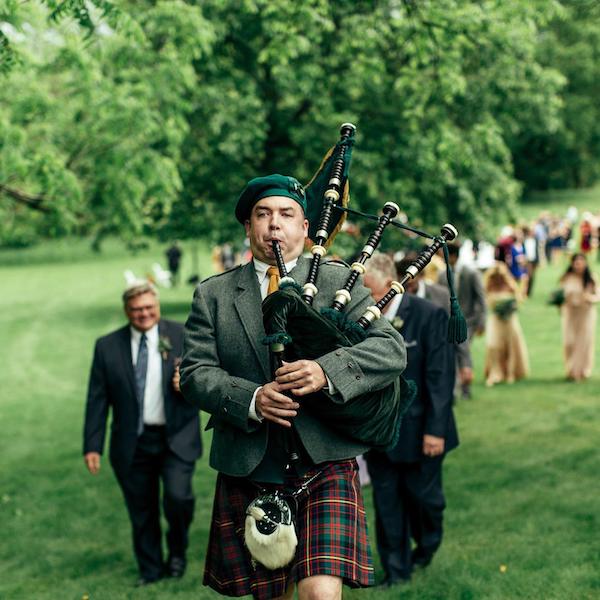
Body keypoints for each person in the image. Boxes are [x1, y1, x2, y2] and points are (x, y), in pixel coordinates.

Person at [180, 174, 406, 600]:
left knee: (321, 594)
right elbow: (194, 372)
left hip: (325, 461)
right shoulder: (214, 294)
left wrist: (327, 370)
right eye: (263, 215)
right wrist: (251, 399)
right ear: (248, 227)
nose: (274, 225)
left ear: (305, 227)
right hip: (253, 464)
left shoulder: (338, 281)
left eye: (286, 214)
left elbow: (391, 350)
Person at [83, 282, 202, 586]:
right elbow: (98, 398)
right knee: (141, 510)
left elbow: (205, 379)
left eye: (149, 308)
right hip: (132, 443)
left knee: (177, 498)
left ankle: (177, 552)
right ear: (127, 311)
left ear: (157, 306)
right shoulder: (107, 346)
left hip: (177, 437)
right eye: (136, 310)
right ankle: (149, 570)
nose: (144, 314)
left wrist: (186, 384)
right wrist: (92, 445)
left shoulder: (181, 335)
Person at [364, 252, 458, 586]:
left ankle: (428, 542)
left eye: (370, 292)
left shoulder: (428, 316)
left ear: (391, 286)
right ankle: (396, 571)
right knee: (387, 503)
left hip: (423, 431)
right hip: (379, 433)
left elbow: (440, 377)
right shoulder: (360, 323)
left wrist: (435, 431)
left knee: (424, 501)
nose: (365, 300)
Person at [439, 243, 486, 397]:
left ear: (453, 256)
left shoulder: (471, 273)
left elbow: (481, 298)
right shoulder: (442, 275)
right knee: (453, 352)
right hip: (449, 322)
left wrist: (481, 322)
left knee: (463, 351)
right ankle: (457, 387)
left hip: (469, 321)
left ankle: (463, 387)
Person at [482, 262, 529, 386]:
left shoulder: (510, 286)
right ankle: (495, 373)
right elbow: (485, 303)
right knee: (493, 346)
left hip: (509, 321)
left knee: (511, 347)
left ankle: (510, 373)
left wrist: (512, 304)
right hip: (495, 320)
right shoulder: (488, 286)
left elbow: (519, 299)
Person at [560, 253, 599, 381]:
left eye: (581, 262)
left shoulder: (591, 279)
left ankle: (582, 371)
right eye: (576, 262)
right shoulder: (566, 278)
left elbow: (597, 296)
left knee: (584, 342)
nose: (578, 265)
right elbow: (560, 295)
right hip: (570, 314)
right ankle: (571, 369)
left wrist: (590, 298)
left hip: (586, 313)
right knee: (569, 342)